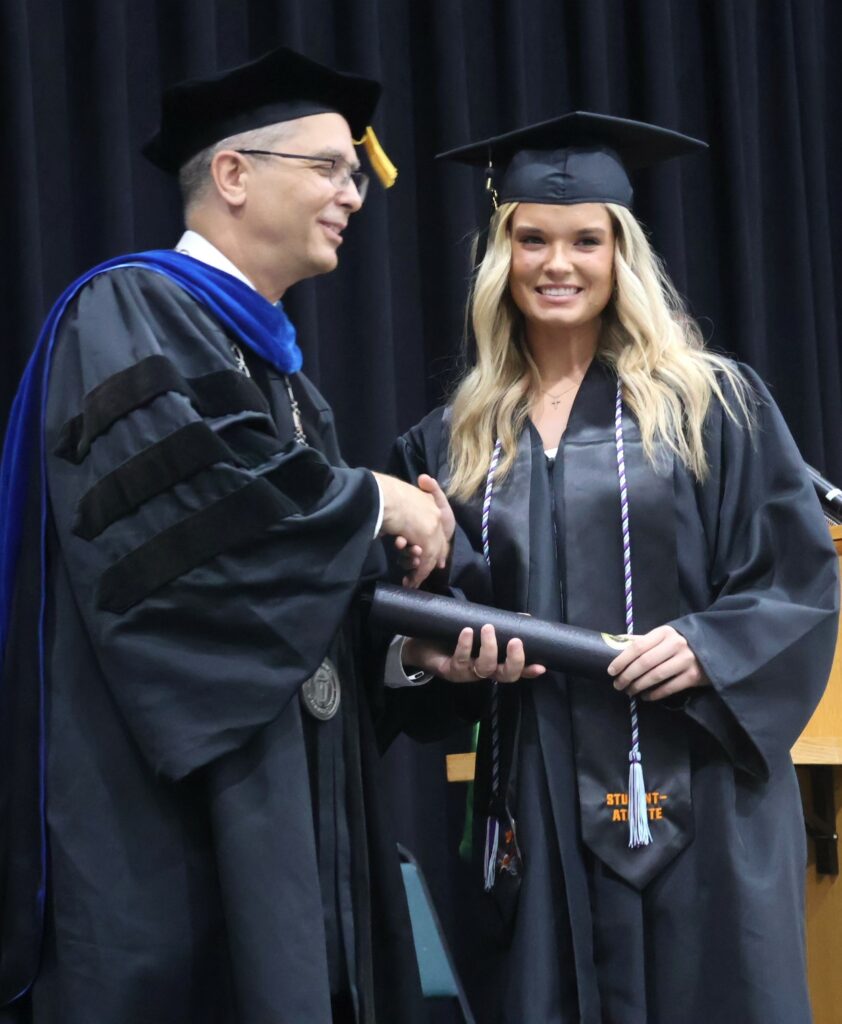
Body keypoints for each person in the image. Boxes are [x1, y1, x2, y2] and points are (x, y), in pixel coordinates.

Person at [0, 47, 450, 1024]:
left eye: (352, 171)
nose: (353, 193)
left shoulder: (285, 380)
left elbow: (291, 606)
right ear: (235, 174)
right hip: (165, 841)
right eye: (328, 167)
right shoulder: (126, 311)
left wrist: (408, 656)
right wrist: (378, 500)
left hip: (286, 836)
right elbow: (198, 549)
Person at [388, 112, 839, 1023]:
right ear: (500, 257)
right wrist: (426, 653)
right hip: (539, 804)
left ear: (620, 253)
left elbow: (797, 577)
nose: (559, 263)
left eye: (586, 240)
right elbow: (423, 625)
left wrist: (711, 645)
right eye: (533, 239)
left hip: (703, 795)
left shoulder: (712, 404)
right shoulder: (458, 440)